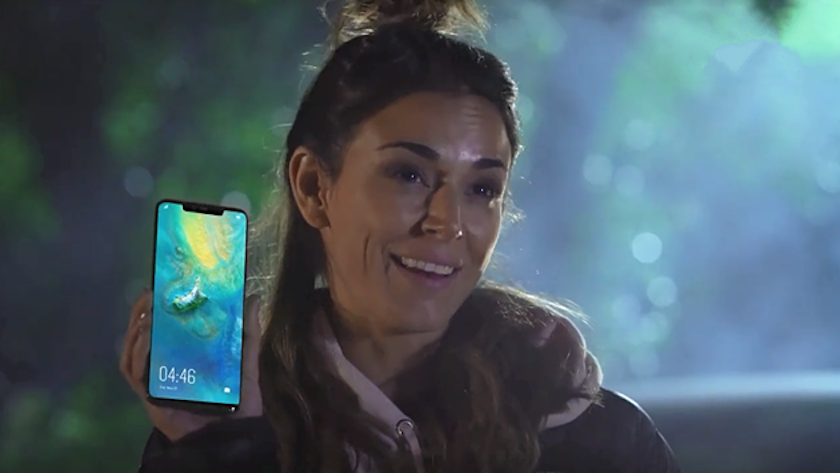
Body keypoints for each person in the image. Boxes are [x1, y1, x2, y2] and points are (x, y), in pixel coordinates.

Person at [119, 0, 681, 471]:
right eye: (408, 175)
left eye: (482, 188)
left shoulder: (597, 437)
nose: (448, 221)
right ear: (313, 187)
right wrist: (217, 451)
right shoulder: (235, 424)